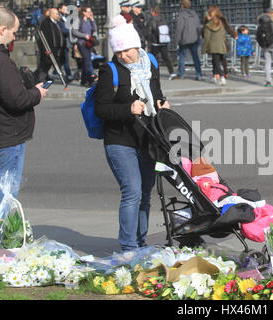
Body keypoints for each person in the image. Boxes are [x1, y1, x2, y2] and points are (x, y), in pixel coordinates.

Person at [94, 15, 170, 252]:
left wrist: (162, 103)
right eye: (118, 52)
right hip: (120, 141)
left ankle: (141, 242)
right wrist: (128, 109)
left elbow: (157, 91)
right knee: (132, 192)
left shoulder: (151, 63)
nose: (123, 56)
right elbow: (102, 109)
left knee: (145, 196)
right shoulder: (110, 70)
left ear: (137, 46)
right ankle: (128, 248)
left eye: (127, 50)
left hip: (148, 138)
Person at [0, 7, 48, 204]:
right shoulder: (2, 62)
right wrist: (36, 93)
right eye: (13, 32)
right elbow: (17, 99)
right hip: (7, 137)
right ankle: (3, 235)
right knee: (5, 197)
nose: (14, 37)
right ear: (2, 30)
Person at [202, 5, 236, 86]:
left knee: (216, 62)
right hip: (222, 45)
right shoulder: (221, 23)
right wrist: (234, 34)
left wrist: (204, 48)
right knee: (216, 61)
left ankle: (221, 77)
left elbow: (206, 38)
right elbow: (228, 28)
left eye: (209, 15)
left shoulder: (208, 25)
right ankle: (215, 76)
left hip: (213, 46)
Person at [34, 8, 64, 83]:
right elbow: (45, 37)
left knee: (49, 63)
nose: (58, 15)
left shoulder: (55, 22)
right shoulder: (46, 23)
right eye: (56, 14)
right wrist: (45, 49)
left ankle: (42, 76)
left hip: (55, 47)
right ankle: (39, 77)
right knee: (46, 63)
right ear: (52, 14)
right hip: (49, 47)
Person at [174, 0, 202, 81]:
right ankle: (199, 74)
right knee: (195, 57)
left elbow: (179, 28)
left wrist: (177, 40)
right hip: (194, 38)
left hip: (185, 39)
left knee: (182, 56)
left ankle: (181, 73)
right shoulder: (195, 14)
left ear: (182, 5)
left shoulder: (182, 15)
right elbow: (198, 27)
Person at [146, 5, 175, 80]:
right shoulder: (163, 19)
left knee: (153, 59)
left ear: (153, 12)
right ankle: (172, 72)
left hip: (155, 43)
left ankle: (154, 74)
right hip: (163, 41)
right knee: (166, 57)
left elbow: (148, 32)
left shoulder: (151, 20)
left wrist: (150, 40)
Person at [71, 6, 97, 87]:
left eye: (90, 11)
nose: (90, 13)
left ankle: (83, 80)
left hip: (89, 43)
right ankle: (90, 79)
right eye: (88, 12)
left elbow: (94, 29)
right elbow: (74, 31)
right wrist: (84, 36)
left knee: (86, 61)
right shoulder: (78, 20)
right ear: (84, 12)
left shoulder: (89, 20)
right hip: (82, 43)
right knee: (87, 61)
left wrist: (93, 21)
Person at [58, 3, 73, 82]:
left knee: (62, 59)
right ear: (59, 9)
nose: (66, 11)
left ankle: (56, 72)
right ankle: (68, 74)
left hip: (67, 41)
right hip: (62, 41)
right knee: (65, 59)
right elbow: (63, 30)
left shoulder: (66, 17)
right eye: (64, 9)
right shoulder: (59, 18)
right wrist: (70, 30)